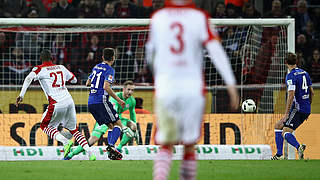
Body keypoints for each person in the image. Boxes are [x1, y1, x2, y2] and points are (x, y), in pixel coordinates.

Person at [145, 0, 239, 179]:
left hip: (167, 88)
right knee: (189, 145)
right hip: (193, 89)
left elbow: (150, 54)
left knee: (165, 144)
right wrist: (231, 84)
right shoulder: (200, 18)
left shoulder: (158, 18)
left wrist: (162, 73)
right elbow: (216, 52)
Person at [15, 49, 96, 160]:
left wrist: (21, 95)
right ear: (52, 58)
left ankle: (65, 142)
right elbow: (74, 80)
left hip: (56, 103)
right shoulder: (61, 67)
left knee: (44, 126)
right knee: (74, 130)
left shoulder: (39, 69)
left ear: (40, 59)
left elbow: (28, 78)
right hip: (69, 101)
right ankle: (91, 154)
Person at [64, 80, 138, 160]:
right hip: (106, 116)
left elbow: (132, 113)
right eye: (128, 89)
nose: (130, 92)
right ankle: (70, 155)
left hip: (118, 118)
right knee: (92, 140)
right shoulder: (116, 97)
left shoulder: (132, 101)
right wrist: (123, 127)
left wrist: (135, 128)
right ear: (124, 89)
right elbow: (114, 112)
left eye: (132, 90)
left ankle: (118, 148)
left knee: (133, 126)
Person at [84, 47, 125, 160]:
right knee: (118, 124)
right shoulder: (110, 69)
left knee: (110, 126)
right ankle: (111, 146)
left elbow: (88, 83)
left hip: (91, 102)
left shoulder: (96, 67)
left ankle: (111, 152)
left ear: (102, 57)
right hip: (101, 101)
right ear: (113, 58)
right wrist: (118, 100)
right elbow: (106, 87)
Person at [272, 52, 314, 160]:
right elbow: (312, 92)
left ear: (285, 63)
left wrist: (286, 114)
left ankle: (298, 147)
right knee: (278, 126)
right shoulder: (305, 73)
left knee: (285, 131)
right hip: (306, 108)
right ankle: (279, 154)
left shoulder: (290, 76)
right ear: (296, 61)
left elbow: (291, 94)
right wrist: (308, 106)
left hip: (297, 109)